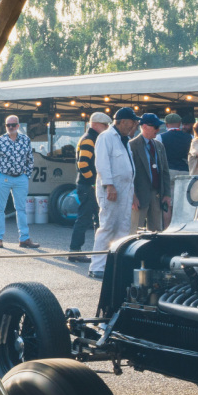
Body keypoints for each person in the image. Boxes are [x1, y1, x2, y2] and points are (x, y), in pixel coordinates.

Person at [88, 107, 140, 280]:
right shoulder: (106, 137)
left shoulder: (124, 139)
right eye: (132, 121)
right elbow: (102, 164)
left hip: (125, 189)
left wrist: (132, 193)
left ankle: (116, 264)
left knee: (123, 228)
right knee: (108, 226)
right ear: (123, 121)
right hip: (111, 189)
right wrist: (109, 185)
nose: (134, 125)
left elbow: (128, 168)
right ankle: (97, 266)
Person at [0, 114, 39, 248]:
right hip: (3, 177)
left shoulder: (25, 139)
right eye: (8, 125)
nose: (10, 127)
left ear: (18, 125)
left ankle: (24, 238)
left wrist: (26, 175)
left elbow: (30, 158)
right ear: (5, 126)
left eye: (13, 125)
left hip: (20, 178)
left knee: (21, 209)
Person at [67, 111, 112, 262]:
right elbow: (83, 164)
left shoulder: (90, 138)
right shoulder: (89, 139)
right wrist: (93, 182)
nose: (107, 128)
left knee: (92, 219)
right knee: (86, 218)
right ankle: (75, 251)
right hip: (88, 186)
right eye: (105, 125)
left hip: (87, 185)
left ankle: (86, 250)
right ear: (96, 124)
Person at [129, 112, 172, 231]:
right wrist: (133, 196)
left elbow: (164, 171)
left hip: (156, 194)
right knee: (135, 229)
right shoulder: (132, 146)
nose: (158, 130)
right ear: (144, 127)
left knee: (156, 230)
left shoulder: (159, 145)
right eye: (155, 127)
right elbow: (129, 174)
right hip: (139, 195)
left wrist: (167, 194)